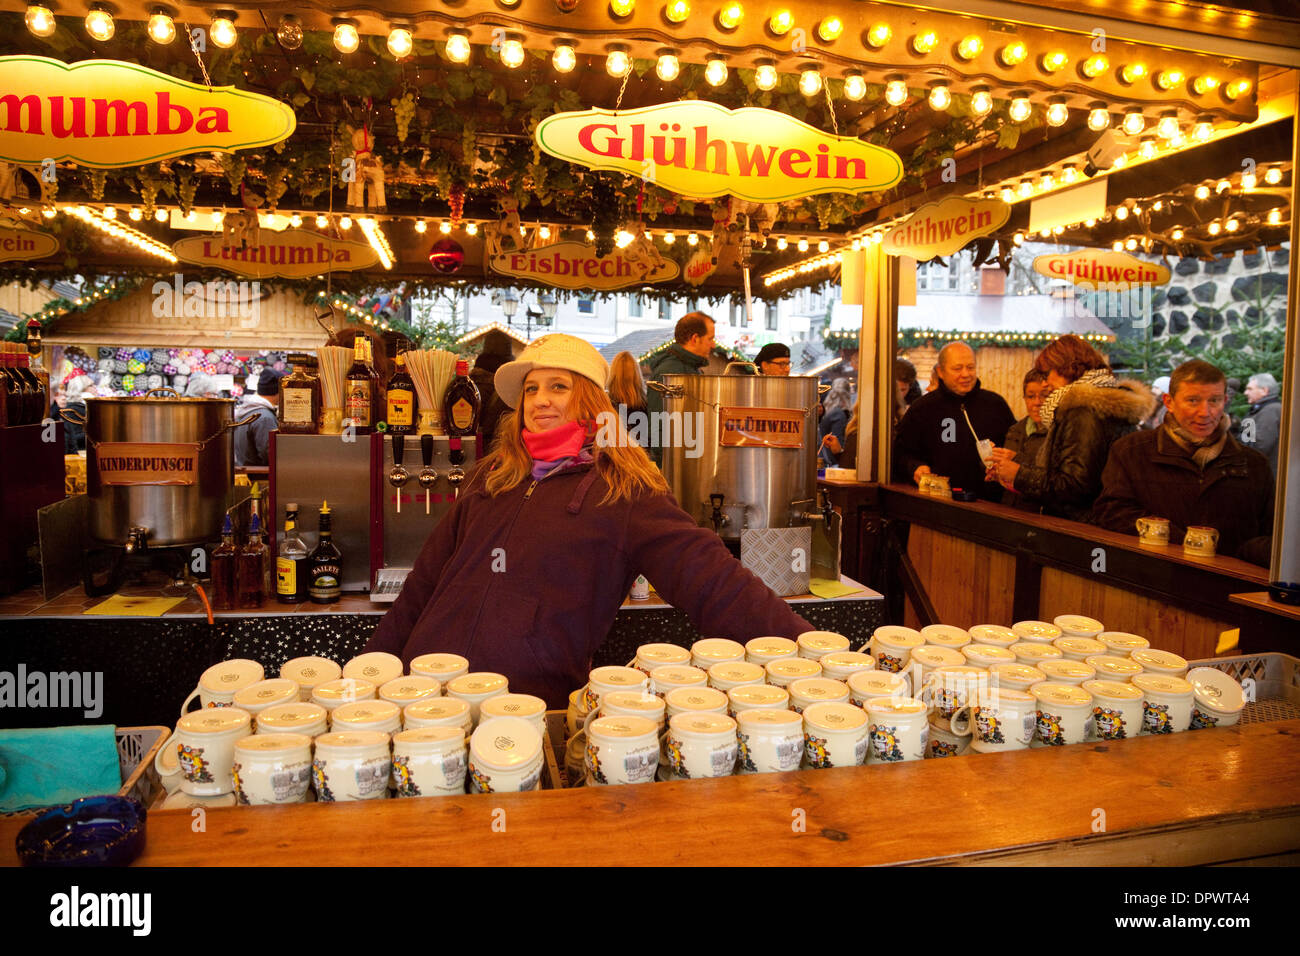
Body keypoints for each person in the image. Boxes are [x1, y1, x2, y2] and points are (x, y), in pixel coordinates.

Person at [362, 334, 814, 707]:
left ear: (589, 400)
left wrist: (813, 654)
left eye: (558, 387)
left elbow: (716, 583)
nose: (540, 400)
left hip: (523, 707)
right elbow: (422, 586)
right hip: (421, 693)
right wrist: (372, 673)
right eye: (531, 389)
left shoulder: (624, 490)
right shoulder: (492, 475)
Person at [1093, 359, 1274, 565]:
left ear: (1224, 401)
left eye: (1214, 400)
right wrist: (1185, 542)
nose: (1205, 413)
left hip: (1230, 586)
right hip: (1153, 577)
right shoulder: (1132, 451)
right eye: (1193, 401)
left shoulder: (1254, 464)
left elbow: (1268, 534)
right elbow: (1112, 512)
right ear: (1169, 402)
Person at [988, 335, 1154, 520]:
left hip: (1080, 527)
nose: (1044, 383)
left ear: (1066, 368)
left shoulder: (1083, 411)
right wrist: (1018, 460)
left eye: (1047, 374)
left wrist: (1019, 474)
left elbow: (1074, 487)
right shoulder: (1104, 404)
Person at [893, 341, 1015, 500]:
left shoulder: (996, 405)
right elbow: (900, 454)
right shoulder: (923, 408)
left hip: (990, 506)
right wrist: (914, 468)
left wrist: (1009, 456)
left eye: (970, 367)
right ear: (941, 372)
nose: (965, 374)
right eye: (957, 368)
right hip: (937, 505)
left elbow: (1017, 449)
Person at [644, 312, 715, 465]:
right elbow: (659, 427)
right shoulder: (671, 372)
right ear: (695, 338)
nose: (713, 344)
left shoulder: (691, 368)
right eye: (710, 338)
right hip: (676, 469)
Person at [1000, 369, 1050, 510]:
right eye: (1030, 396)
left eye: (1044, 396)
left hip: (1039, 513)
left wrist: (1017, 459)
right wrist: (995, 468)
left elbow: (1053, 480)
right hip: (1010, 508)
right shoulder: (1015, 430)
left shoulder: (1056, 433)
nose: (1037, 403)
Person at [234, 368, 282, 467]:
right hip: (258, 476)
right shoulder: (265, 418)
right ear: (277, 392)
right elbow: (269, 455)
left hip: (247, 473)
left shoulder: (248, 410)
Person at [1241, 372, 1282, 473]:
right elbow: (1247, 439)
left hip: (1265, 477)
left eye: (1250, 389)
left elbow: (1259, 448)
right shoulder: (1261, 409)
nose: (1245, 393)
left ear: (1264, 391)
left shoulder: (1270, 411)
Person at [607, 350, 649, 443]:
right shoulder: (648, 402)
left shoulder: (606, 404)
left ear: (613, 375)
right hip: (644, 453)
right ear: (637, 375)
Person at [818, 378, 853, 466]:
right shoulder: (839, 414)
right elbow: (837, 441)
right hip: (832, 462)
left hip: (826, 459)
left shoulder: (830, 412)